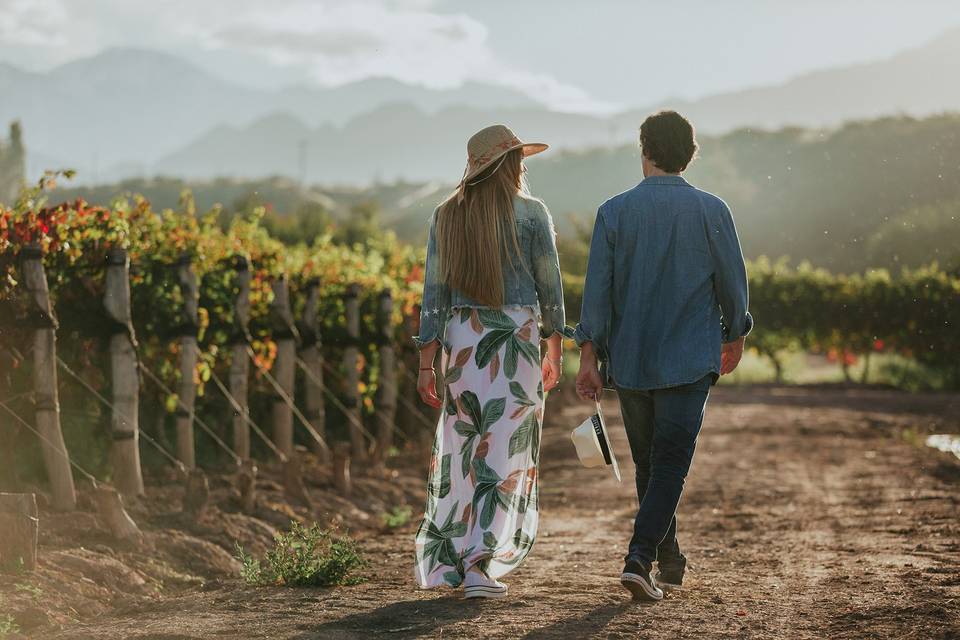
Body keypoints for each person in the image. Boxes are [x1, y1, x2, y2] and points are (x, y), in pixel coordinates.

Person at [573, 110, 753, 602]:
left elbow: (597, 294)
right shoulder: (712, 210)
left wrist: (588, 357)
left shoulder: (614, 212)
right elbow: (732, 284)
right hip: (689, 358)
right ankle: (640, 555)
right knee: (669, 462)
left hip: (629, 360)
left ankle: (669, 559)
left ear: (645, 150)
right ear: (689, 155)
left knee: (652, 465)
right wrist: (735, 335)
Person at [413, 124, 567, 599]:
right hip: (516, 341)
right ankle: (482, 562)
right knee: (504, 449)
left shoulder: (447, 215)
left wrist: (426, 362)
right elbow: (551, 288)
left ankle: (455, 559)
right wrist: (554, 346)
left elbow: (433, 296)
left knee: (464, 448)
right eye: (519, 157)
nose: (523, 165)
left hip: (463, 343)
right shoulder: (532, 213)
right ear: (510, 163)